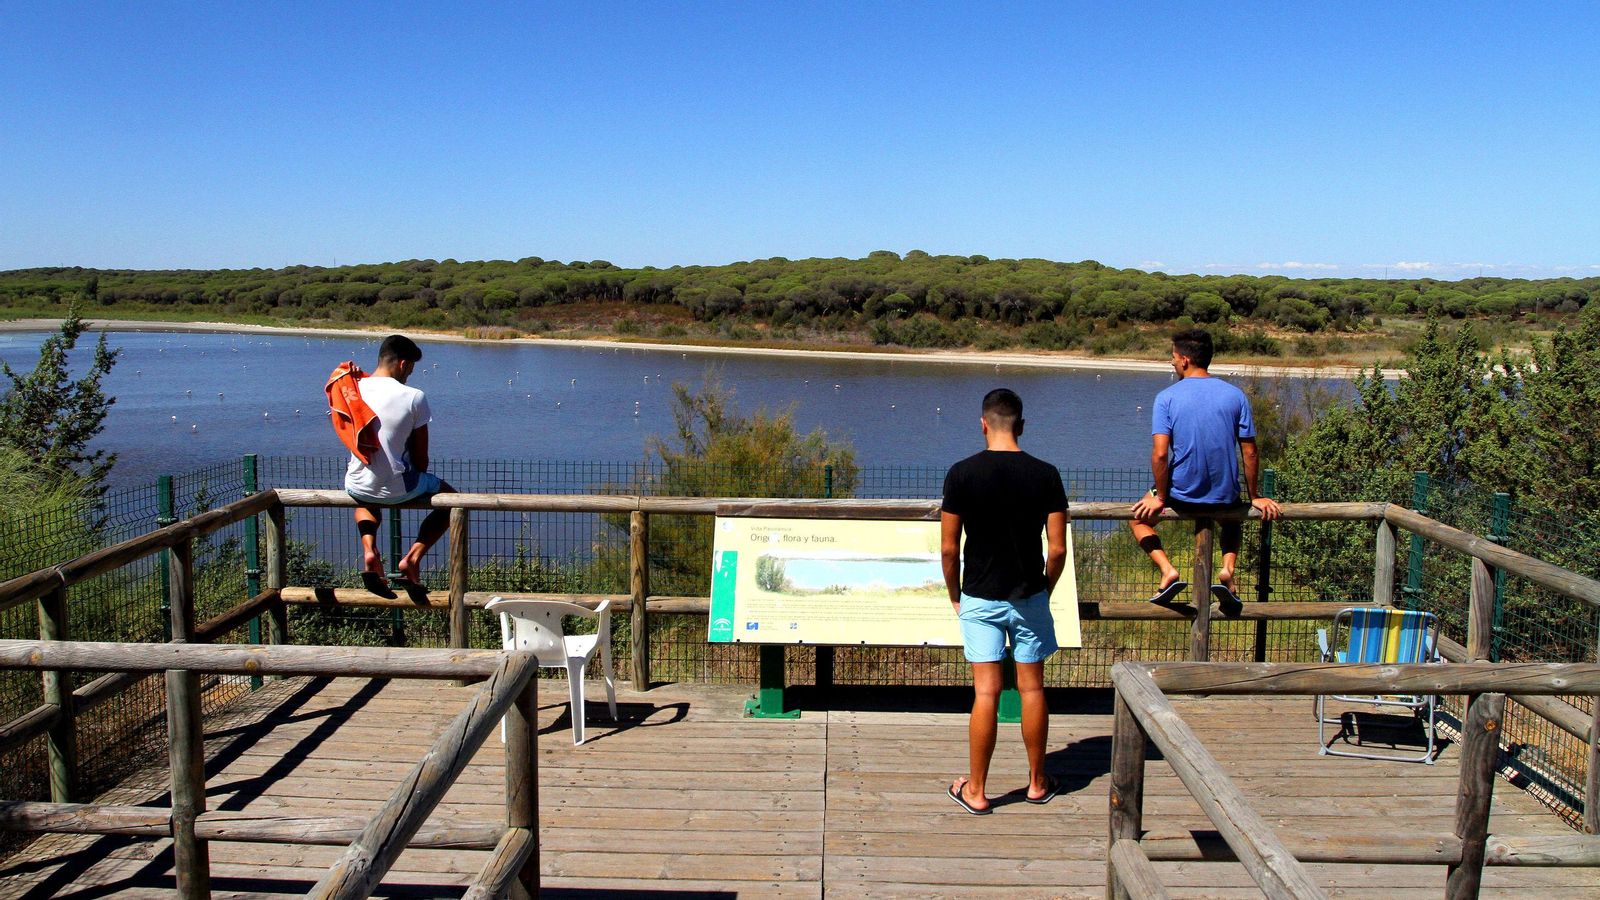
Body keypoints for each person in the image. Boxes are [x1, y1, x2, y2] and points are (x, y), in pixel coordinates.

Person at [941, 388, 1068, 815]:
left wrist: (955, 594)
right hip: (1029, 594)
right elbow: (1057, 549)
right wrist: (1045, 588)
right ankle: (1037, 783)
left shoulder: (961, 474)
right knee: (1032, 688)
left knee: (986, 692)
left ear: (983, 425)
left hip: (979, 594)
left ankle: (976, 791)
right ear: (1022, 426)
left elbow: (949, 549)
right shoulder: (1046, 474)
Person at [1130, 328, 1281, 606]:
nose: (1172, 362)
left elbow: (1160, 454)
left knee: (1138, 520)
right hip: (1224, 494)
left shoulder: (1166, 397)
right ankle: (1228, 570)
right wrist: (1255, 495)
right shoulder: (1236, 396)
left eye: (1173, 357)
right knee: (1232, 520)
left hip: (1181, 494)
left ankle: (1167, 570)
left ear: (1185, 360)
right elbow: (1250, 451)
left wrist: (1160, 497)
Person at [342, 334, 455, 591]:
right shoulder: (414, 396)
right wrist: (417, 471)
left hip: (357, 483)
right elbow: (421, 458)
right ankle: (412, 559)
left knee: (366, 499)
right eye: (410, 369)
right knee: (452, 502)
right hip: (398, 486)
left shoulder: (352, 390)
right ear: (403, 364)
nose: (409, 375)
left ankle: (370, 550)